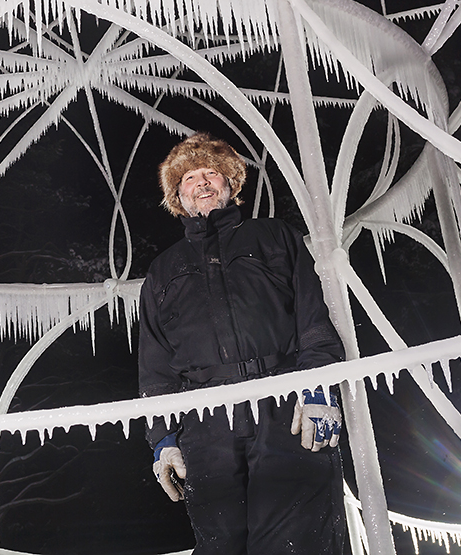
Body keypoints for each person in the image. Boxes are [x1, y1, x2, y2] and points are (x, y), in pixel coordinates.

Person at [138, 132, 347, 554]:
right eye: (191, 177)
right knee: (220, 544)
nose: (202, 182)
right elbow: (154, 364)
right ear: (178, 194)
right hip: (205, 419)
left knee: (297, 539)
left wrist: (318, 386)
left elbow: (311, 315)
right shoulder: (163, 271)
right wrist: (163, 440)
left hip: (285, 404)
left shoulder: (274, 237)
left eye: (212, 173)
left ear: (231, 184)